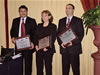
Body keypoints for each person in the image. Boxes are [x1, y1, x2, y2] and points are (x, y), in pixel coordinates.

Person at [57, 4, 84, 75]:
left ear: (73, 10)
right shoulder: (61, 21)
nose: (67, 10)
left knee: (76, 70)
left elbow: (81, 34)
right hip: (64, 49)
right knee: (65, 71)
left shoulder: (78, 20)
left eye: (69, 8)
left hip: (74, 49)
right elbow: (58, 34)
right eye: (66, 8)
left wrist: (73, 43)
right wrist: (61, 43)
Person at [10, 5, 37, 75]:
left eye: (24, 11)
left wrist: (33, 43)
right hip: (18, 46)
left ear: (27, 12)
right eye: (21, 11)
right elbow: (12, 31)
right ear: (19, 12)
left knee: (28, 65)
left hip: (28, 46)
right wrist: (12, 37)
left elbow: (35, 33)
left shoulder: (32, 21)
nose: (23, 13)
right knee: (18, 64)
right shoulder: (15, 20)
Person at [34, 10, 57, 75]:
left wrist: (46, 47)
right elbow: (35, 37)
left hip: (48, 50)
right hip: (39, 50)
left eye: (45, 15)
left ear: (49, 17)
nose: (43, 17)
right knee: (39, 68)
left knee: (48, 67)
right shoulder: (39, 25)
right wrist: (36, 45)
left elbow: (53, 38)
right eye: (42, 16)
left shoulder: (53, 26)